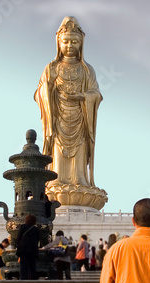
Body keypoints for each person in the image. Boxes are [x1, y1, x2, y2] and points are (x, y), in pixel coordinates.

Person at [34, 16, 103, 197]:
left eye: (74, 42)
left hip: (80, 119)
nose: (70, 46)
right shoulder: (51, 68)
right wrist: (47, 91)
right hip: (58, 119)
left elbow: (96, 94)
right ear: (58, 42)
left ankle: (80, 181)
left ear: (81, 43)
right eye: (65, 41)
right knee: (57, 153)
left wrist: (82, 96)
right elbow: (39, 93)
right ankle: (56, 181)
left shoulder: (87, 70)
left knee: (79, 154)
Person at [16, 215, 40, 280]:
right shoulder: (36, 229)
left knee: (23, 265)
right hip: (32, 250)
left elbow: (18, 238)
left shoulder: (22, 227)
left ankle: (24, 279)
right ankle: (33, 279)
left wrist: (17, 245)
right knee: (32, 265)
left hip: (23, 249)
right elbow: (37, 240)